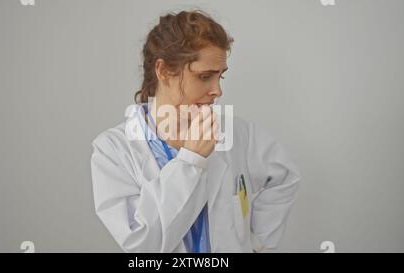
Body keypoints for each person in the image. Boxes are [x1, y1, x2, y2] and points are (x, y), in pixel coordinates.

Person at [90, 10, 301, 253]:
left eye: (220, 76)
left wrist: (258, 244)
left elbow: (285, 177)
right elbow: (142, 245)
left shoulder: (238, 134)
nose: (218, 90)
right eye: (204, 76)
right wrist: (191, 160)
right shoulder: (112, 150)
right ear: (164, 70)